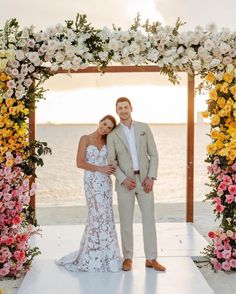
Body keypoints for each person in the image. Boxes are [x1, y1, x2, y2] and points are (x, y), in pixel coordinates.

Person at [56, 115, 122, 272]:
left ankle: (107, 255)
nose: (105, 128)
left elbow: (114, 160)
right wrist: (101, 168)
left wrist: (115, 170)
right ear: (100, 122)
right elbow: (80, 163)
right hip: (91, 182)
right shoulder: (85, 138)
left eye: (109, 127)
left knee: (106, 216)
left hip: (105, 184)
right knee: (95, 216)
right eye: (104, 124)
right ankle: (92, 253)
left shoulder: (108, 142)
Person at [107, 97, 166, 272]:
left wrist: (151, 177)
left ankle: (151, 258)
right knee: (126, 221)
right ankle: (128, 258)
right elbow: (111, 161)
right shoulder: (112, 134)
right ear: (116, 111)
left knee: (149, 219)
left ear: (131, 108)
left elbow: (153, 155)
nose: (123, 110)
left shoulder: (144, 128)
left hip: (144, 180)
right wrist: (122, 178)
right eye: (120, 108)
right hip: (125, 183)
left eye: (126, 107)